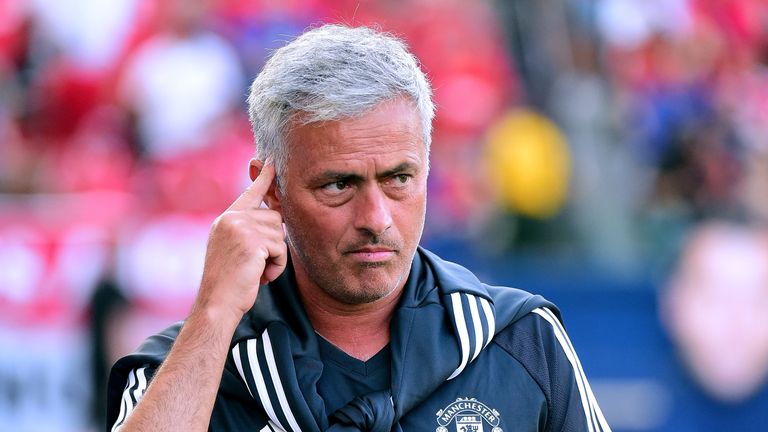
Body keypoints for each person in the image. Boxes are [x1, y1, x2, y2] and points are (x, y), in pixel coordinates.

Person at [106, 24, 610, 432]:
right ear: (269, 191)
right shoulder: (185, 369)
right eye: (338, 185)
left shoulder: (521, 339)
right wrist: (214, 315)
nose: (375, 218)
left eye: (399, 179)